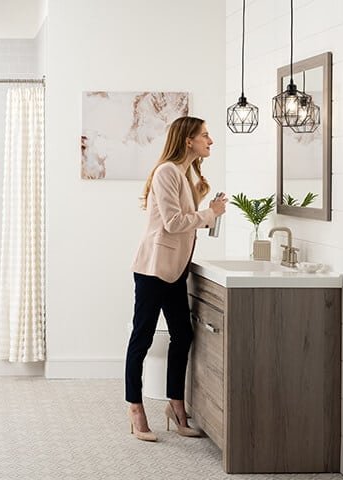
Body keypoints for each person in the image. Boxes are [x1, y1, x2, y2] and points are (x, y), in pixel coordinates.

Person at [125, 116, 227, 442]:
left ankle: (176, 406)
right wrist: (209, 213)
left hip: (175, 269)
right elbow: (172, 222)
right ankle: (135, 408)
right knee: (141, 338)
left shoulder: (183, 175)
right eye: (205, 136)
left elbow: (185, 221)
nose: (210, 141)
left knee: (183, 335)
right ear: (188, 140)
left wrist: (208, 209)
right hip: (154, 269)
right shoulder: (167, 171)